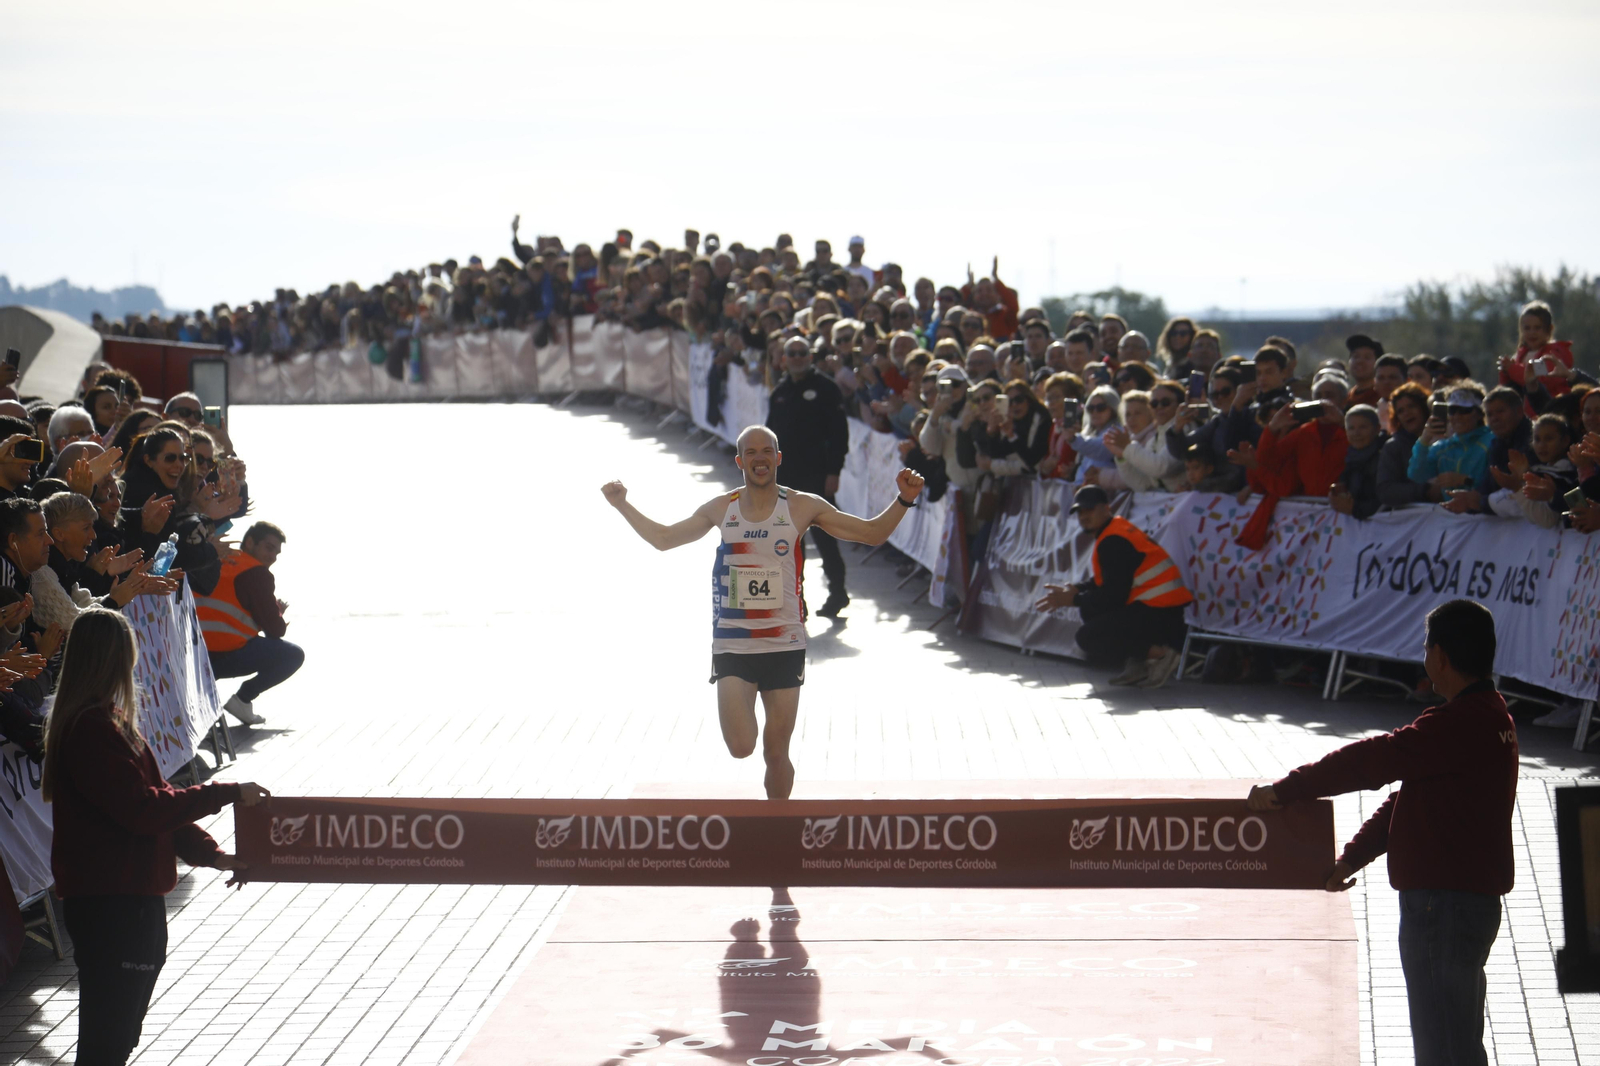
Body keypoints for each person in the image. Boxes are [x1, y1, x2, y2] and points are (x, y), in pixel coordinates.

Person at [1247, 599, 1516, 1066]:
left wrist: (1288, 790)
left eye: (1426, 646)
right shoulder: (1491, 717)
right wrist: (1353, 857)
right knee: (1456, 1040)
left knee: (1444, 1049)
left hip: (1443, 906)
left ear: (1440, 657)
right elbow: (1407, 798)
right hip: (1464, 902)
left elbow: (1372, 761)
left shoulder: (1455, 725)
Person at [601, 426, 925, 799]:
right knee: (741, 745)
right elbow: (664, 539)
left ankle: (778, 827)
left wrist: (903, 499)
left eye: (766, 451)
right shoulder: (723, 508)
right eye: (751, 453)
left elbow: (870, 533)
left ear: (778, 458)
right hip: (733, 646)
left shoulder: (803, 506)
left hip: (784, 643)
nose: (759, 459)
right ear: (740, 461)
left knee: (776, 752)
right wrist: (622, 504)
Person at [43, 608, 269, 1066]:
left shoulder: (106, 724)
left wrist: (213, 855)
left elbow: (154, 804)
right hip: (115, 904)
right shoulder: (93, 730)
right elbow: (144, 811)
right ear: (116, 660)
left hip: (123, 901)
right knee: (109, 1037)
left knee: (117, 1033)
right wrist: (224, 792)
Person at [1034, 485, 1193, 688]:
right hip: (1161, 609)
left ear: (1106, 508)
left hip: (1160, 612)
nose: (1084, 516)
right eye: (1080, 511)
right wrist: (1078, 589)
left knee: (1087, 638)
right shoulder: (1115, 531)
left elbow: (1113, 596)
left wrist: (1074, 599)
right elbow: (1110, 579)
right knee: (1090, 611)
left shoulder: (1113, 540)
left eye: (1089, 509)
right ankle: (1138, 662)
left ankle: (1161, 654)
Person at [764, 336, 851, 617]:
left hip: (818, 476)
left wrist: (834, 471)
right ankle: (796, 600)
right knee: (789, 542)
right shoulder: (779, 392)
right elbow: (770, 436)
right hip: (787, 479)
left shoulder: (826, 388)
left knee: (826, 537)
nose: (798, 357)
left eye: (803, 352)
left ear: (811, 356)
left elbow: (839, 434)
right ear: (784, 358)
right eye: (793, 353)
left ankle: (837, 592)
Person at [198, 522, 302, 726]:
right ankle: (243, 699)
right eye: (269, 548)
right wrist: (277, 612)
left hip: (193, 654)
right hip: (224, 656)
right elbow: (275, 631)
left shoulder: (216, 558)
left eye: (277, 553)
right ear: (250, 542)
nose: (272, 557)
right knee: (293, 655)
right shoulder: (257, 574)